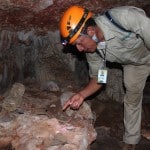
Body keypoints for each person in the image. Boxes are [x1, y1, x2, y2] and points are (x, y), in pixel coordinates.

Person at [59, 5, 150, 150]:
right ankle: (131, 140)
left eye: (79, 43)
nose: (79, 49)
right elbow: (99, 79)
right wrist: (81, 95)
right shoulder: (93, 52)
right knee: (132, 97)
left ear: (90, 31)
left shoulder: (123, 18)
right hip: (134, 65)